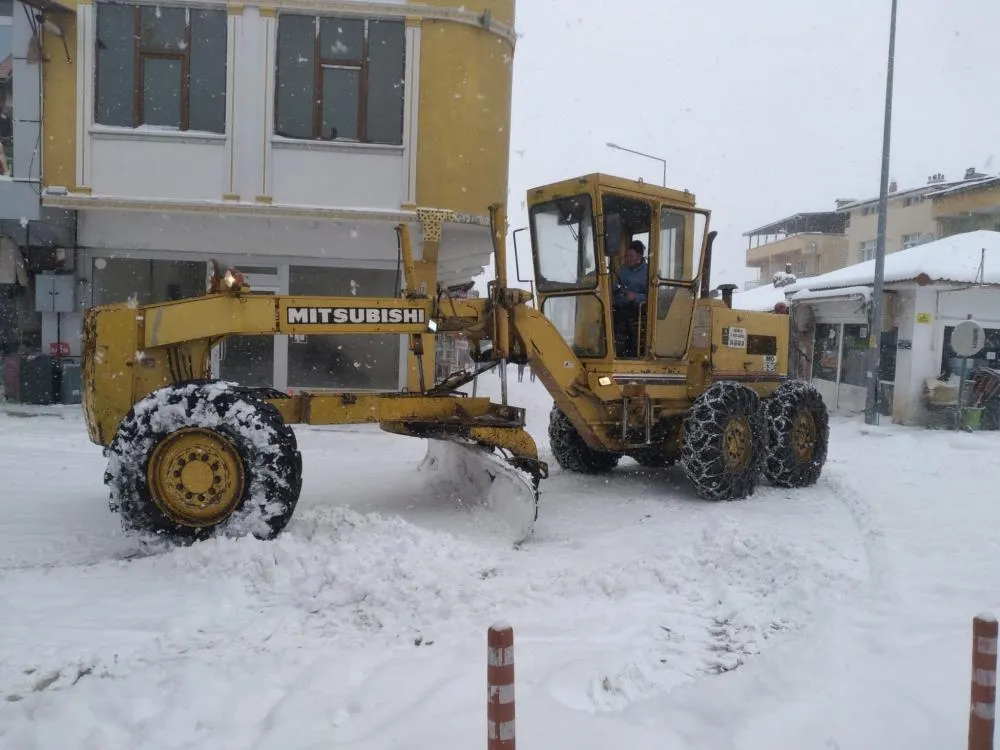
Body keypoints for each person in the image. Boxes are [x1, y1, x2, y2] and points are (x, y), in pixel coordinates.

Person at [612, 240, 649, 357]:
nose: (628, 258)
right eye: (627, 255)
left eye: (631, 256)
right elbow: (614, 287)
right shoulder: (622, 270)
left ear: (639, 257)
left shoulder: (648, 273)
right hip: (618, 305)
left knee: (623, 322)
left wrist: (636, 297)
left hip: (637, 309)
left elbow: (653, 296)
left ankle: (629, 352)